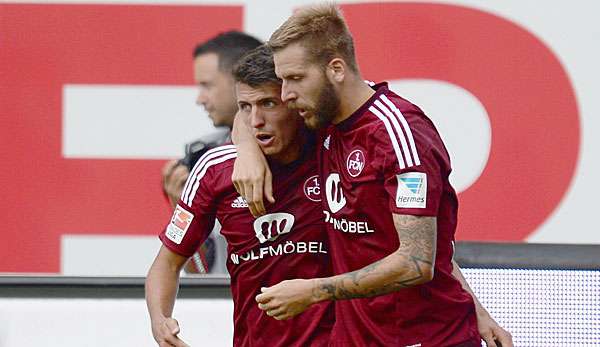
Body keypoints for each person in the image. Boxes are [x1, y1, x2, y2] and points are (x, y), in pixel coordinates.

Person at [232, 4, 513, 347]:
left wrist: (312, 292)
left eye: (294, 79)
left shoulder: (400, 135)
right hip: (358, 338)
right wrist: (246, 149)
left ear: (336, 68)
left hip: (424, 338)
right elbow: (248, 107)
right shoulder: (323, 120)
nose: (286, 94)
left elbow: (417, 260)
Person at [145, 45, 334, 347]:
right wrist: (160, 321)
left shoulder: (335, 153)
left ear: (295, 102)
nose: (255, 121)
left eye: (269, 103)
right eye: (245, 107)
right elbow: (166, 264)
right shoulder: (215, 169)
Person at [162, 31, 262, 273]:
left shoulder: (299, 145)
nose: (200, 99)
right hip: (227, 306)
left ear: (241, 79)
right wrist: (183, 211)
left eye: (207, 85)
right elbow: (202, 273)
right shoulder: (203, 154)